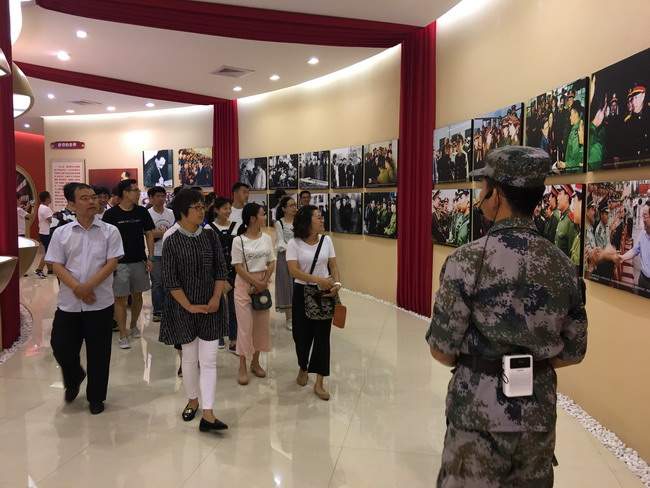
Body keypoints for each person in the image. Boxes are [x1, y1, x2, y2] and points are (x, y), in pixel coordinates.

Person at [426, 146, 587, 487]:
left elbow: (441, 349)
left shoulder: (465, 261)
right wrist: (528, 363)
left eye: (483, 189)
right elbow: (574, 352)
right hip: (537, 415)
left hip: (476, 415)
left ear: (495, 196)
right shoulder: (563, 265)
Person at [45, 184, 124, 415]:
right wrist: (77, 288)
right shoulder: (62, 233)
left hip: (99, 302)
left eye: (94, 197)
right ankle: (74, 376)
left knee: (99, 353)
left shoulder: (110, 231)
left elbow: (111, 263)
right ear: (72, 204)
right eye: (85, 198)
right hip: (69, 303)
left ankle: (96, 397)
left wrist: (87, 287)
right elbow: (56, 264)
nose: (92, 202)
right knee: (61, 347)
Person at [158, 189, 229, 432]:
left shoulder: (209, 235)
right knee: (189, 358)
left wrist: (216, 297)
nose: (202, 211)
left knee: (208, 360)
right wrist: (189, 306)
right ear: (182, 211)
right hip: (183, 308)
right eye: (196, 207)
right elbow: (170, 280)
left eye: (202, 207)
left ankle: (208, 413)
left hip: (211, 307)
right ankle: (192, 400)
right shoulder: (171, 239)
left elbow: (221, 270)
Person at [286, 205, 341, 401]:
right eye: (318, 217)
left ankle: (319, 382)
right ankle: (303, 365)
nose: (322, 220)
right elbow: (293, 271)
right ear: (307, 221)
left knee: (322, 338)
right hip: (302, 292)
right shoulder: (294, 243)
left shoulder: (327, 241)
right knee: (301, 336)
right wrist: (317, 279)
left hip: (325, 293)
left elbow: (333, 266)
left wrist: (336, 284)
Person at [102, 179, 155, 349]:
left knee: (138, 295)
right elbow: (105, 240)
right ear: (125, 193)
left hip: (139, 260)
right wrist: (109, 263)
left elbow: (149, 234)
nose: (138, 193)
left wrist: (151, 257)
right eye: (135, 190)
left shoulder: (141, 212)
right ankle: (123, 334)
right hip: (119, 262)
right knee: (120, 298)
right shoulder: (111, 215)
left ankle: (133, 326)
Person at [231, 203, 276, 386]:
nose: (265, 217)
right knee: (245, 328)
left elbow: (271, 261)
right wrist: (256, 283)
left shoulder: (266, 238)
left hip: (262, 285)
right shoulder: (238, 240)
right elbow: (238, 267)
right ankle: (242, 365)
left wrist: (263, 282)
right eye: (262, 214)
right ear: (252, 218)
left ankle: (255, 362)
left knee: (260, 327)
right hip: (244, 286)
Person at [205, 196, 239, 353]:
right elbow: (207, 253)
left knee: (233, 306)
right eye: (225, 208)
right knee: (217, 304)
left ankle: (234, 338)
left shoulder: (237, 227)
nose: (228, 211)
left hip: (234, 271)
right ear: (216, 210)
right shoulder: (208, 228)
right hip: (215, 272)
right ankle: (218, 334)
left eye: (229, 208)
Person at [148, 186, 175, 322]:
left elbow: (176, 231)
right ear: (151, 198)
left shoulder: (171, 213)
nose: (161, 199)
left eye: (163, 196)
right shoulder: (148, 214)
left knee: (170, 281)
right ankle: (158, 311)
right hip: (155, 253)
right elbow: (149, 234)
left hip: (171, 252)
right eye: (157, 196)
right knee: (157, 283)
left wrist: (157, 233)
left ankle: (170, 309)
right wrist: (166, 232)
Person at [274, 196, 297, 330]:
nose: (294, 208)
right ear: (283, 208)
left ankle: (299, 316)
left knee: (298, 286)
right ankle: (289, 318)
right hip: (285, 257)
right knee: (286, 286)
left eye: (295, 205)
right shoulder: (279, 223)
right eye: (291, 205)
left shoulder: (299, 222)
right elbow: (280, 242)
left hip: (299, 258)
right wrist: (293, 249)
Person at [618, 200, 650, 298]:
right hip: (642, 279)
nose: (642, 220)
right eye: (642, 215)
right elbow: (635, 250)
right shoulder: (642, 234)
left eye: (645, 216)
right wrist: (623, 257)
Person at [34, 191, 53, 278]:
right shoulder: (45, 209)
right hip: (47, 233)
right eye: (50, 197)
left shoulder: (41, 207)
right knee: (49, 252)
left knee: (47, 250)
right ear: (47, 198)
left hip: (43, 232)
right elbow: (51, 220)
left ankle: (50, 269)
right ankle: (39, 269)